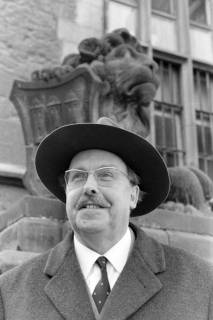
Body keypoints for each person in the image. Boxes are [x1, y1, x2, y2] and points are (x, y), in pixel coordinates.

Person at [0, 117, 212, 320]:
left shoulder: (201, 283)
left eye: (106, 175)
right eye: (78, 176)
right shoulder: (10, 292)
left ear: (133, 195)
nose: (89, 187)